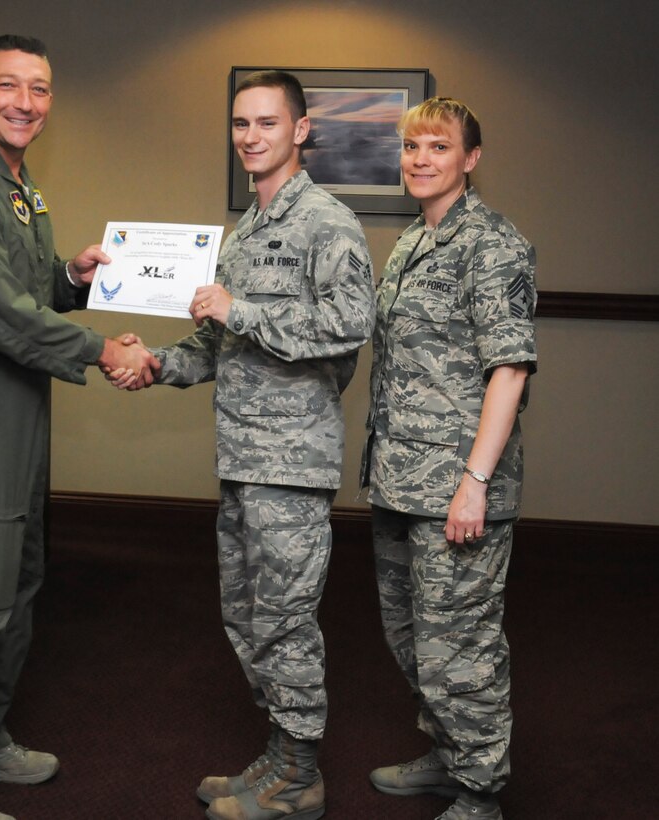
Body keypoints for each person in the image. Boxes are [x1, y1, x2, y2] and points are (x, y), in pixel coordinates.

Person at [0, 34, 158, 820]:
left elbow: (27, 289)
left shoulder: (17, 187)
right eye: (8, 87)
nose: (25, 102)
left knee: (14, 580)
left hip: (19, 405)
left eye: (39, 90)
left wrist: (71, 280)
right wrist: (100, 346)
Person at [111, 70, 374, 820]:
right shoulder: (249, 230)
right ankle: (280, 753)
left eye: (266, 123)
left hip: (292, 461)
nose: (250, 137)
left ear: (300, 131)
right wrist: (158, 364)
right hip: (241, 458)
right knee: (248, 615)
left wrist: (244, 310)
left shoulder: (327, 222)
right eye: (240, 124)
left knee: (286, 620)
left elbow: (350, 325)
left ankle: (300, 779)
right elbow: (216, 339)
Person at [359, 97, 537, 820]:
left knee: (460, 646)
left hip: (456, 490)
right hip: (400, 481)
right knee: (410, 634)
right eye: (410, 147)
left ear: (471, 158)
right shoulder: (412, 241)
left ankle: (480, 791)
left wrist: (474, 483)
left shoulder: (492, 244)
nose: (420, 159)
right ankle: (446, 752)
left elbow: (511, 370)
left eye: (437, 146)